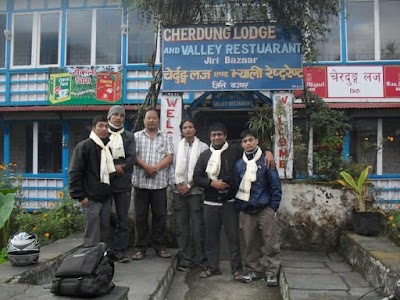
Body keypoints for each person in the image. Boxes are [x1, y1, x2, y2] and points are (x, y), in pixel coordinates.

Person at [193, 122, 245, 280]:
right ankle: (212, 267)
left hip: (229, 202)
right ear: (210, 137)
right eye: (214, 135)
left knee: (233, 236)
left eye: (219, 134)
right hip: (210, 203)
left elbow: (252, 150)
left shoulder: (234, 151)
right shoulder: (204, 156)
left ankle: (237, 269)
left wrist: (268, 153)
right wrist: (212, 183)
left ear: (225, 136)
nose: (217, 137)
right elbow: (197, 177)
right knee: (211, 238)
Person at [234, 130, 282, 287]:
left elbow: (275, 186)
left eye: (250, 140)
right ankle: (253, 270)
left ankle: (272, 273)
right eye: (245, 141)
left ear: (257, 141)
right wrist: (240, 206)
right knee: (250, 243)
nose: (248, 143)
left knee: (271, 242)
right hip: (247, 209)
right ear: (242, 144)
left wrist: (272, 208)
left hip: (265, 208)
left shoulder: (266, 160)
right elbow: (236, 185)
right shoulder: (239, 163)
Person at [132, 108, 174, 260]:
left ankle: (160, 247)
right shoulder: (136, 136)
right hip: (140, 184)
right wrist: (146, 167)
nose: (151, 120)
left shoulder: (166, 137)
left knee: (160, 216)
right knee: (140, 217)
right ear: (144, 120)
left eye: (154, 118)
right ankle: (140, 248)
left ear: (158, 120)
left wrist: (155, 168)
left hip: (159, 184)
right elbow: (133, 156)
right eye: (148, 118)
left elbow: (169, 156)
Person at [69, 116, 115, 247]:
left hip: (105, 197)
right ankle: (89, 260)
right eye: (100, 126)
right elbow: (75, 172)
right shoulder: (84, 147)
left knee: (104, 232)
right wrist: (80, 196)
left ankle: (102, 260)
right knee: (91, 235)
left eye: (106, 126)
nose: (104, 129)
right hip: (90, 197)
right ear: (93, 128)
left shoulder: (107, 148)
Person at [172, 119, 209, 272]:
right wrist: (178, 185)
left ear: (195, 129)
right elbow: (170, 168)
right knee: (181, 226)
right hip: (178, 192)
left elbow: (203, 170)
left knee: (197, 227)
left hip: (196, 192)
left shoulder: (203, 147)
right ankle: (186, 260)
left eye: (190, 127)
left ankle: (200, 259)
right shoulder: (175, 146)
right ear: (181, 131)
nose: (187, 130)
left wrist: (189, 185)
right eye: (184, 128)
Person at [107, 105, 136, 263]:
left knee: (122, 218)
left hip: (123, 182)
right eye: (115, 115)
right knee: (104, 218)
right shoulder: (103, 135)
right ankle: (104, 250)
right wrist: (113, 167)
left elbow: (132, 158)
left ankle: (120, 251)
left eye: (121, 116)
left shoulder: (129, 137)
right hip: (105, 183)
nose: (118, 118)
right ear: (109, 117)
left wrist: (121, 167)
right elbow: (100, 156)